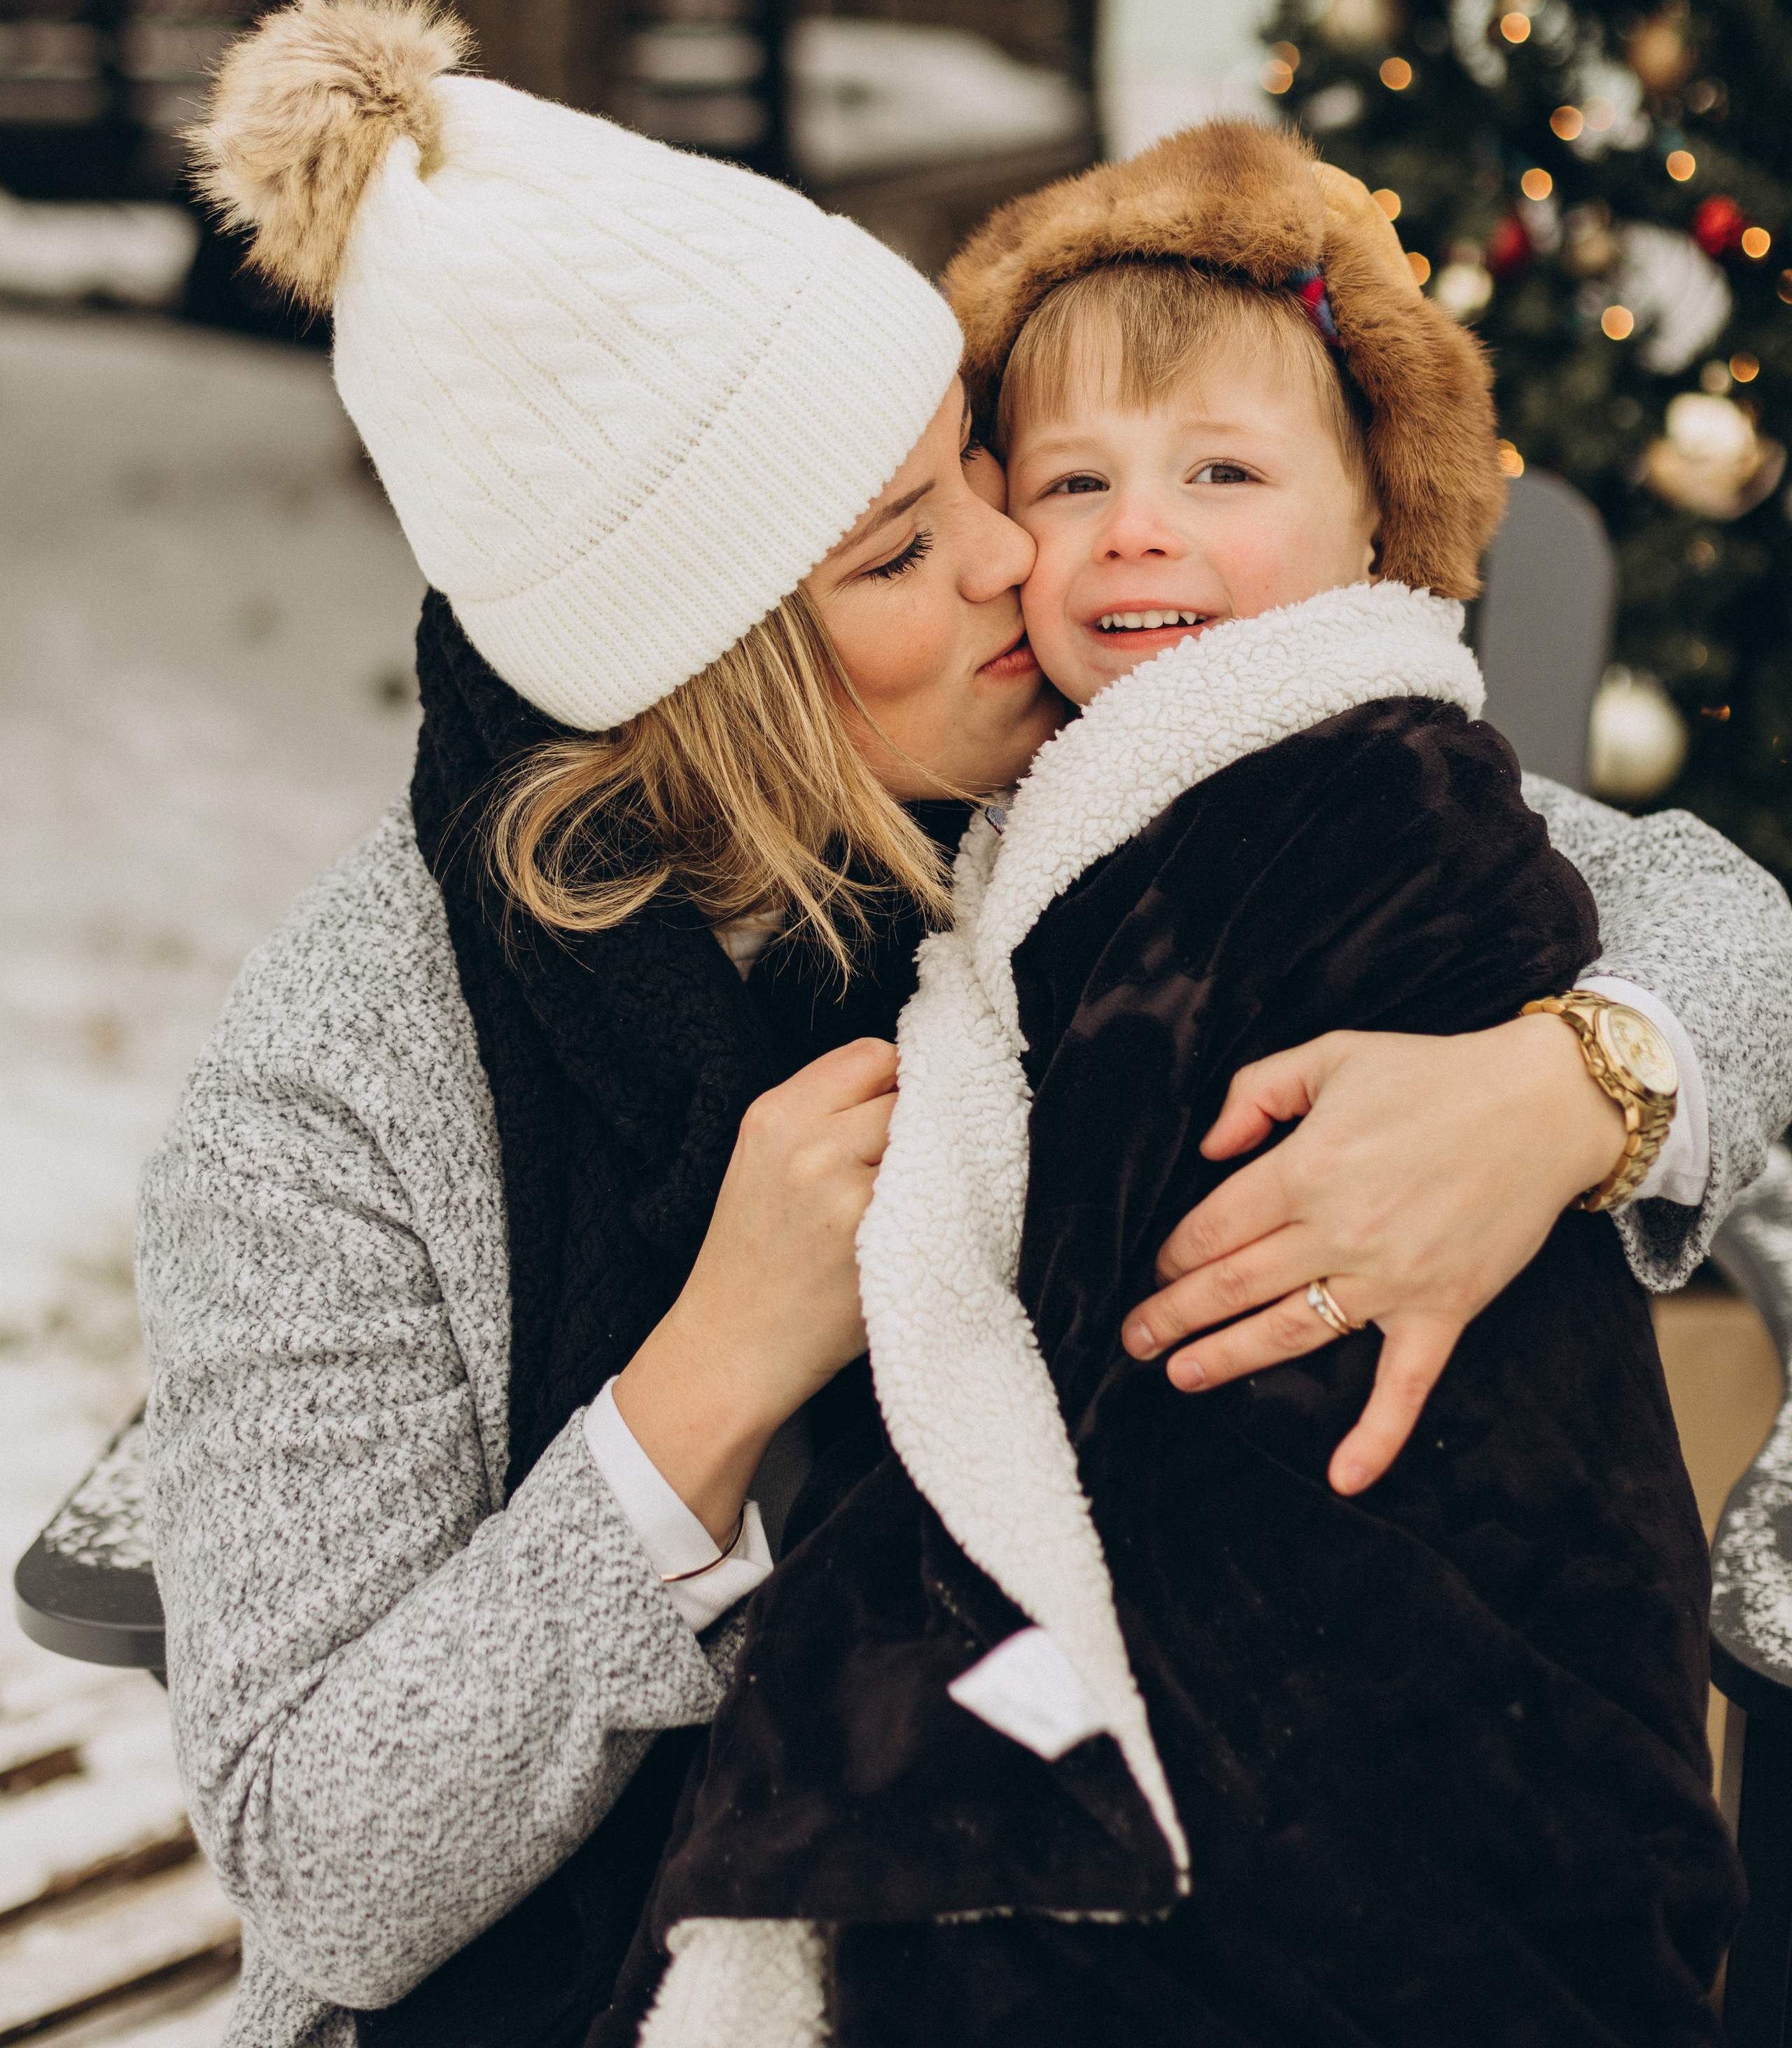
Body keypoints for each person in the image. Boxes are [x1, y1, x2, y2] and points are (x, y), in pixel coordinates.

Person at [136, 0, 1792, 2048]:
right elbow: (313, 1864)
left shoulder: (1076, 778)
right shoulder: (342, 1094)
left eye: (975, 463)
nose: (1035, 552)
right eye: (913, 545)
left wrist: (1565, 1092)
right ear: (715, 684)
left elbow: (1709, 910)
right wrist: (702, 1390)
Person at [624, 120, 1740, 2045]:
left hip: (1397, 1648)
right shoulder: (1055, 827)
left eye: (1221, 471)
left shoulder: (1368, 800)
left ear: (1379, 529)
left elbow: (1698, 909)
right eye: (1075, 480)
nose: (1141, 526)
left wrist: (1586, 1080)